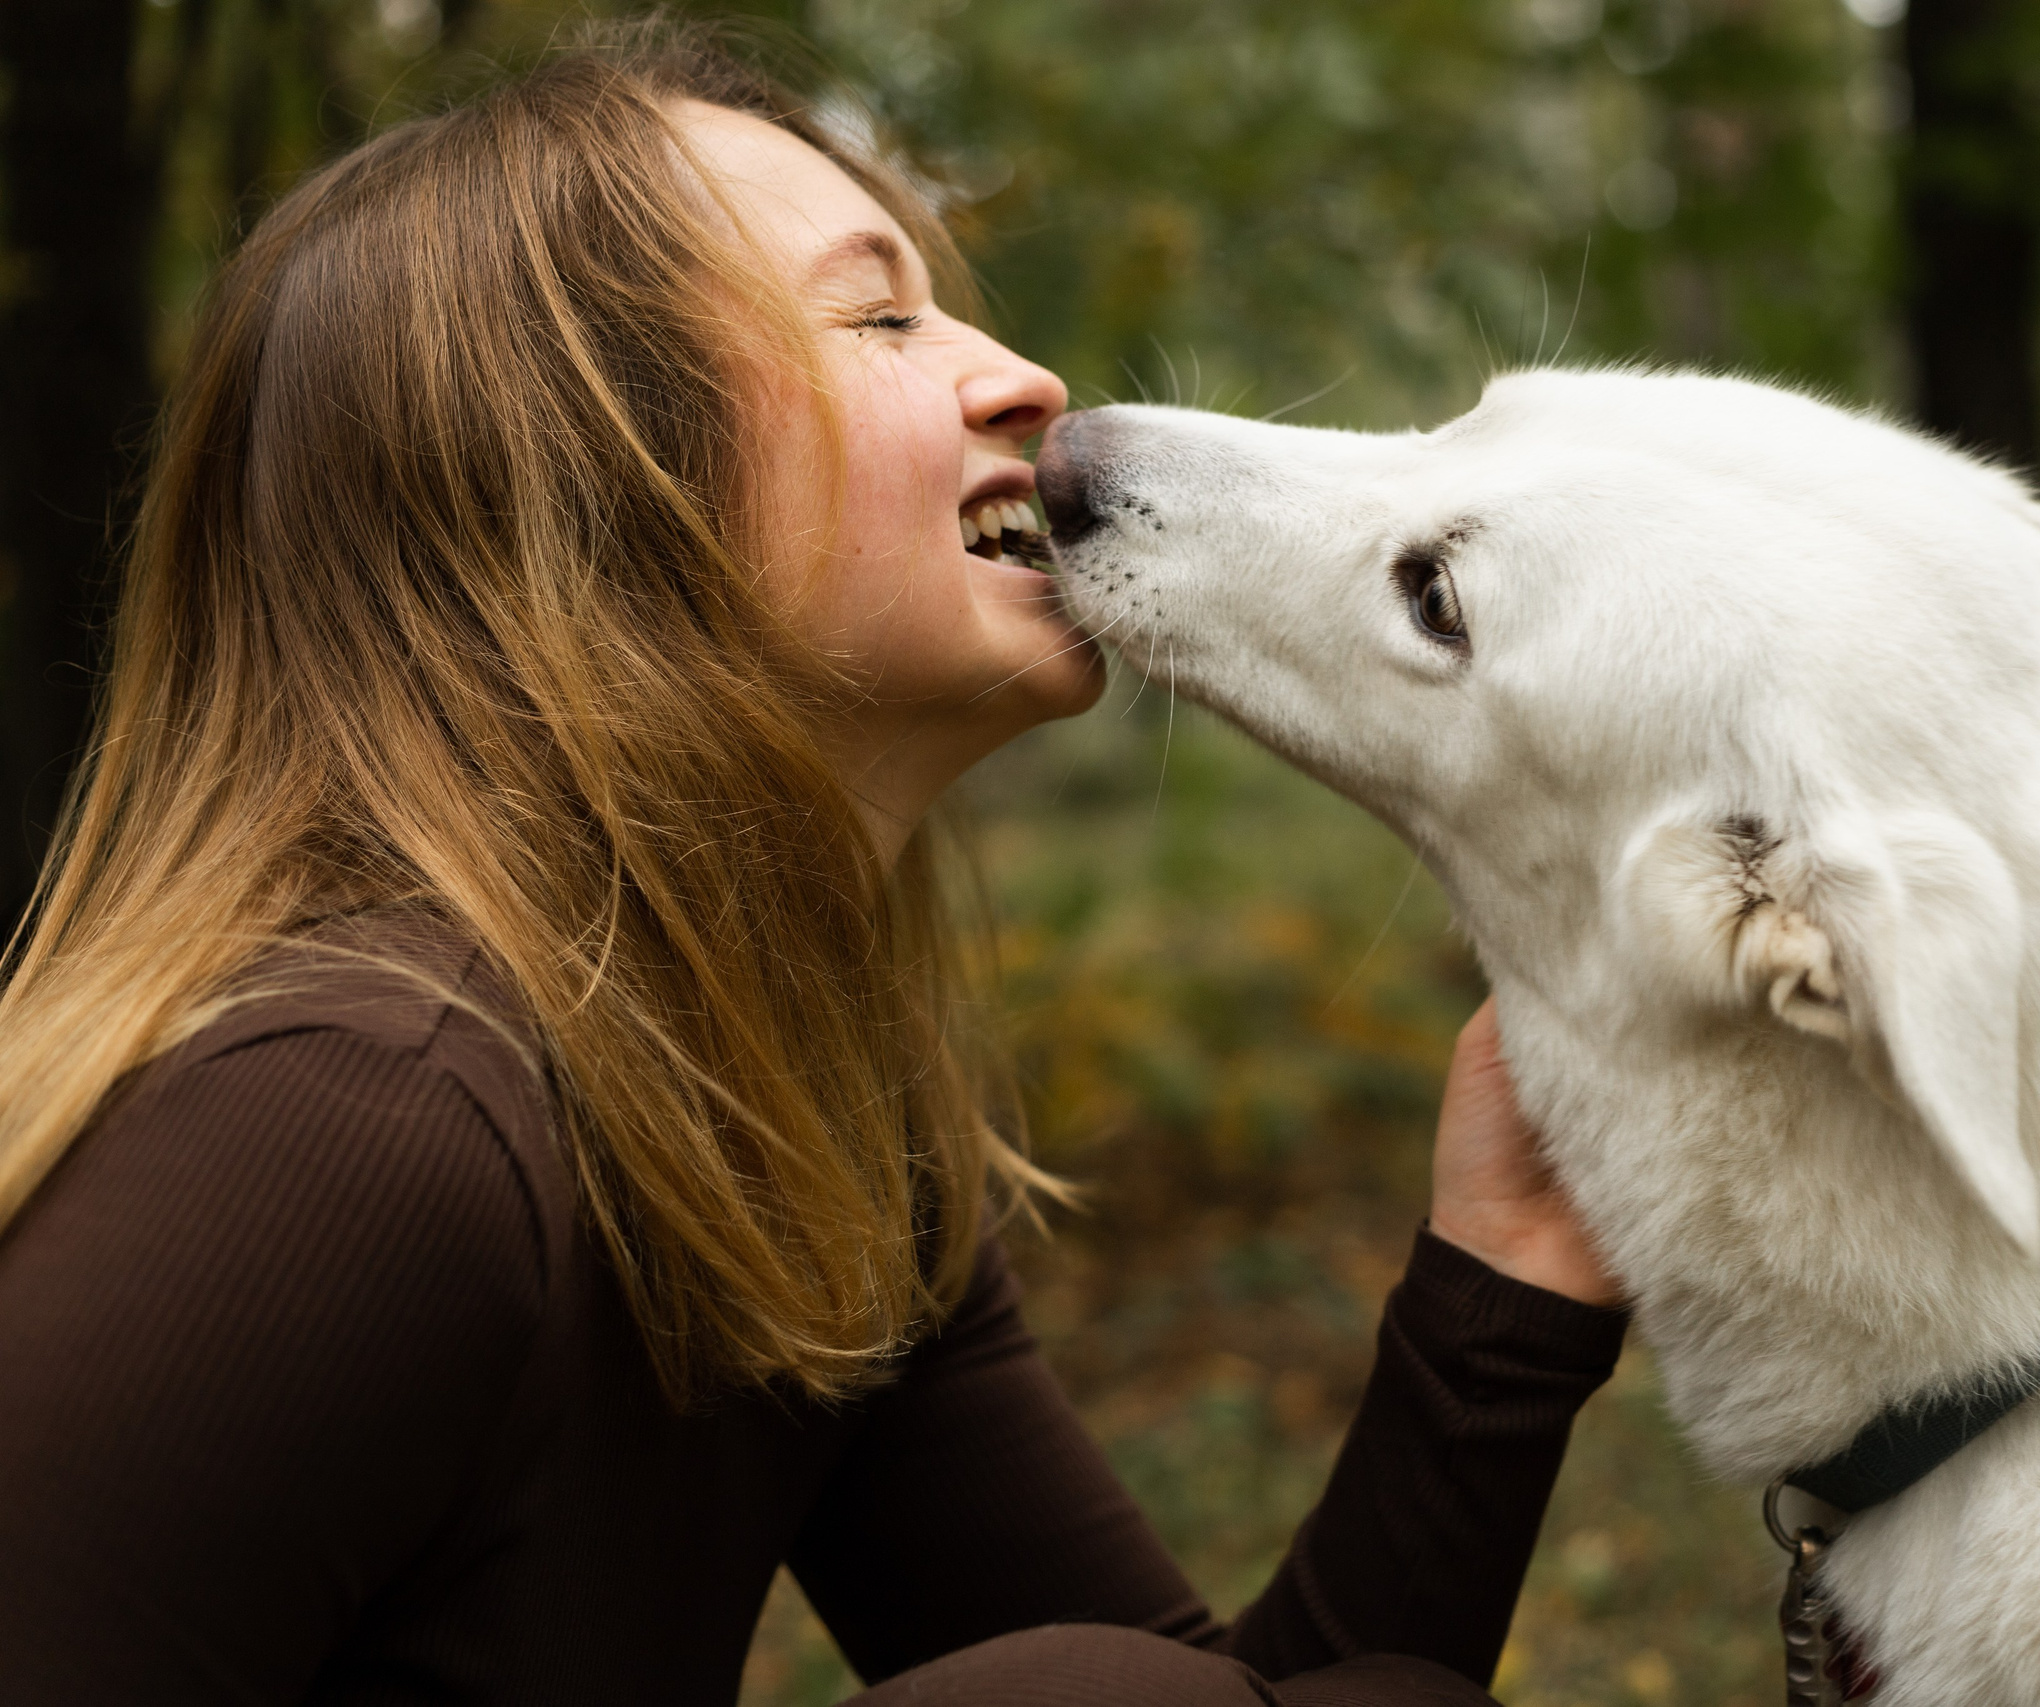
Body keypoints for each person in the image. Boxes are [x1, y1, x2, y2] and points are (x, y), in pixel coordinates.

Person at [0, 23, 1629, 1707]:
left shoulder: (785, 1126)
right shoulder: (354, 1120)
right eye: (874, 314)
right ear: (584, 477)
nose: (1023, 375)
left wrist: (1501, 1275)